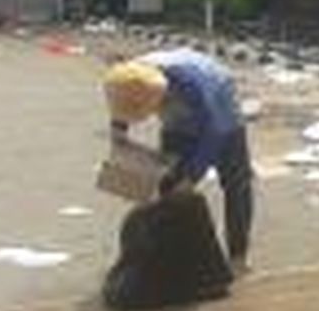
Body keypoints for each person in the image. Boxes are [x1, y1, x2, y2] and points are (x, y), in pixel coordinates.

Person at [103, 49, 254, 275]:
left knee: (236, 184)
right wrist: (120, 139)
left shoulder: (193, 85)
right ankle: (168, 253)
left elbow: (213, 135)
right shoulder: (128, 77)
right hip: (177, 120)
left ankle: (237, 255)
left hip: (222, 116)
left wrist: (191, 178)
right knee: (167, 182)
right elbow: (122, 108)